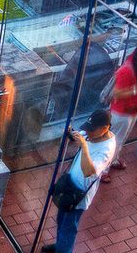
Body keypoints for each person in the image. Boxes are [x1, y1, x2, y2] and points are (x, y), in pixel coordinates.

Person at [44, 108, 116, 253]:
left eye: (92, 130)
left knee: (68, 229)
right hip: (69, 185)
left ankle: (63, 249)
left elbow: (89, 171)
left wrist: (84, 146)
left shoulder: (107, 148)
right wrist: (72, 133)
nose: (88, 133)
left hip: (79, 195)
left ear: (105, 128)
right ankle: (60, 247)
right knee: (61, 221)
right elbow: (79, 135)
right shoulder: (91, 135)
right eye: (87, 129)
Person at [106, 41, 137, 170]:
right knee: (115, 140)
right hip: (122, 112)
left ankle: (113, 160)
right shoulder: (127, 69)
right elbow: (116, 94)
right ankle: (105, 169)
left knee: (121, 139)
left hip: (132, 110)